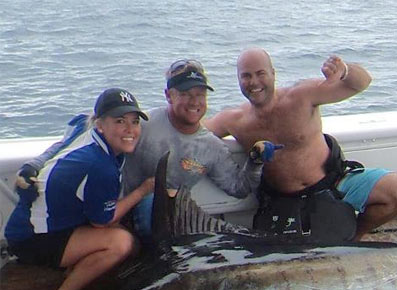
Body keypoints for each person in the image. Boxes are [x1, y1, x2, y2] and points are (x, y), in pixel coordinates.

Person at [17, 59, 265, 239]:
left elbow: (240, 188)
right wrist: (35, 165)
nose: (194, 102)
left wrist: (255, 161)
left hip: (169, 222)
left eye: (200, 94)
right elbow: (81, 128)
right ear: (169, 95)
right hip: (115, 212)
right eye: (186, 94)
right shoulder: (140, 122)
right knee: (148, 203)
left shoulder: (211, 146)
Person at [204, 48, 397, 240]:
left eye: (260, 73)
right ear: (238, 79)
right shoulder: (234, 120)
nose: (254, 82)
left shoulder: (301, 96)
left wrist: (345, 70)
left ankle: (354, 239)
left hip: (334, 183)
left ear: (273, 74)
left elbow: (361, 83)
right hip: (283, 200)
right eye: (246, 76)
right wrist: (184, 99)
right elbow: (194, 132)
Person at [4, 88, 154, 290]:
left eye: (135, 122)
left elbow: (59, 144)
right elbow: (103, 221)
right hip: (31, 238)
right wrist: (143, 190)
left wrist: (33, 164)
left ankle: (75, 270)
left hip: (38, 222)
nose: (130, 130)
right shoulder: (100, 166)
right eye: (120, 121)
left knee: (127, 237)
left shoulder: (83, 127)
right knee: (121, 242)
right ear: (100, 124)